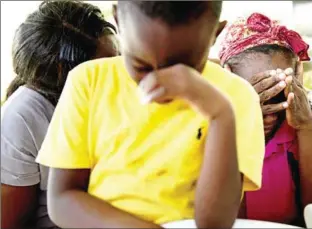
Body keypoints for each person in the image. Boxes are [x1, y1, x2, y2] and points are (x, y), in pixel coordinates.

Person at [35, 1, 266, 228]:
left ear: (215, 33)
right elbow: (62, 199)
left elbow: (214, 223)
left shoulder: (235, 96)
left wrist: (220, 115)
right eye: (141, 66)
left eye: (183, 67)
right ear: (118, 21)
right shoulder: (88, 81)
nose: (158, 80)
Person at [218, 13, 312, 228]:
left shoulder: (300, 129)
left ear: (298, 76)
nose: (272, 114)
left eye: (279, 96)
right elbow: (224, 220)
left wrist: (306, 126)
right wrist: (243, 127)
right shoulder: (212, 128)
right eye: (260, 97)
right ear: (227, 78)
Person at [1, 1, 120, 228]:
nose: (122, 70)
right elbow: (11, 222)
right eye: (106, 68)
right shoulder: (23, 118)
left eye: (120, 56)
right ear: (65, 80)